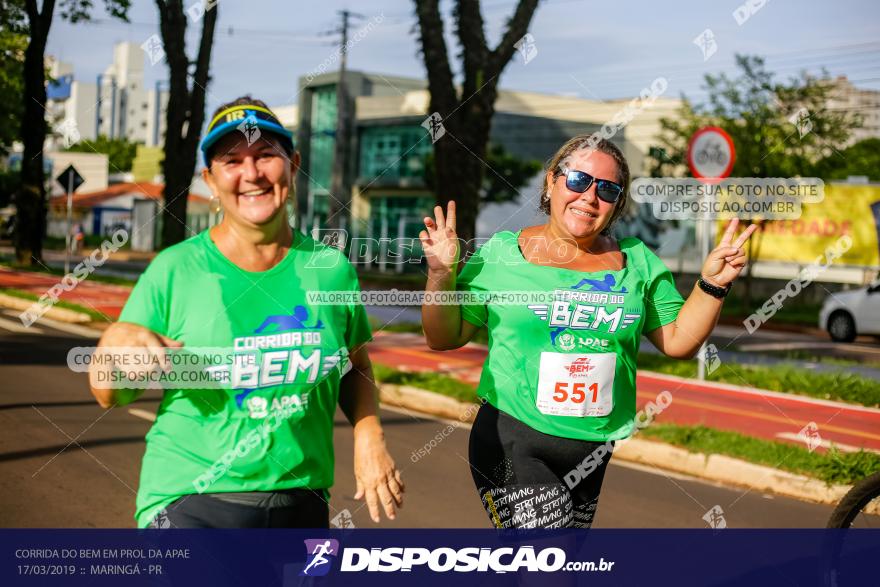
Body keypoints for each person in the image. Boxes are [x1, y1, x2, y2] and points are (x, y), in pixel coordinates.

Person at [88, 96, 403, 528]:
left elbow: (354, 364)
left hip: (303, 501)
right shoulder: (176, 270)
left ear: (292, 165)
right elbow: (111, 393)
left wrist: (369, 434)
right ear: (210, 181)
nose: (251, 173)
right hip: (191, 500)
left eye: (265, 156)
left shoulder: (330, 271)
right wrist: (114, 347)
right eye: (232, 161)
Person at [420, 135, 756, 529]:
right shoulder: (502, 253)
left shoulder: (637, 262)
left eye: (608, 189)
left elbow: (680, 340)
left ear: (617, 204)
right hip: (511, 440)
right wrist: (441, 274)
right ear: (552, 182)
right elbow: (444, 337)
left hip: (593, 450)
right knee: (551, 567)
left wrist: (713, 285)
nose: (590, 197)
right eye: (578, 180)